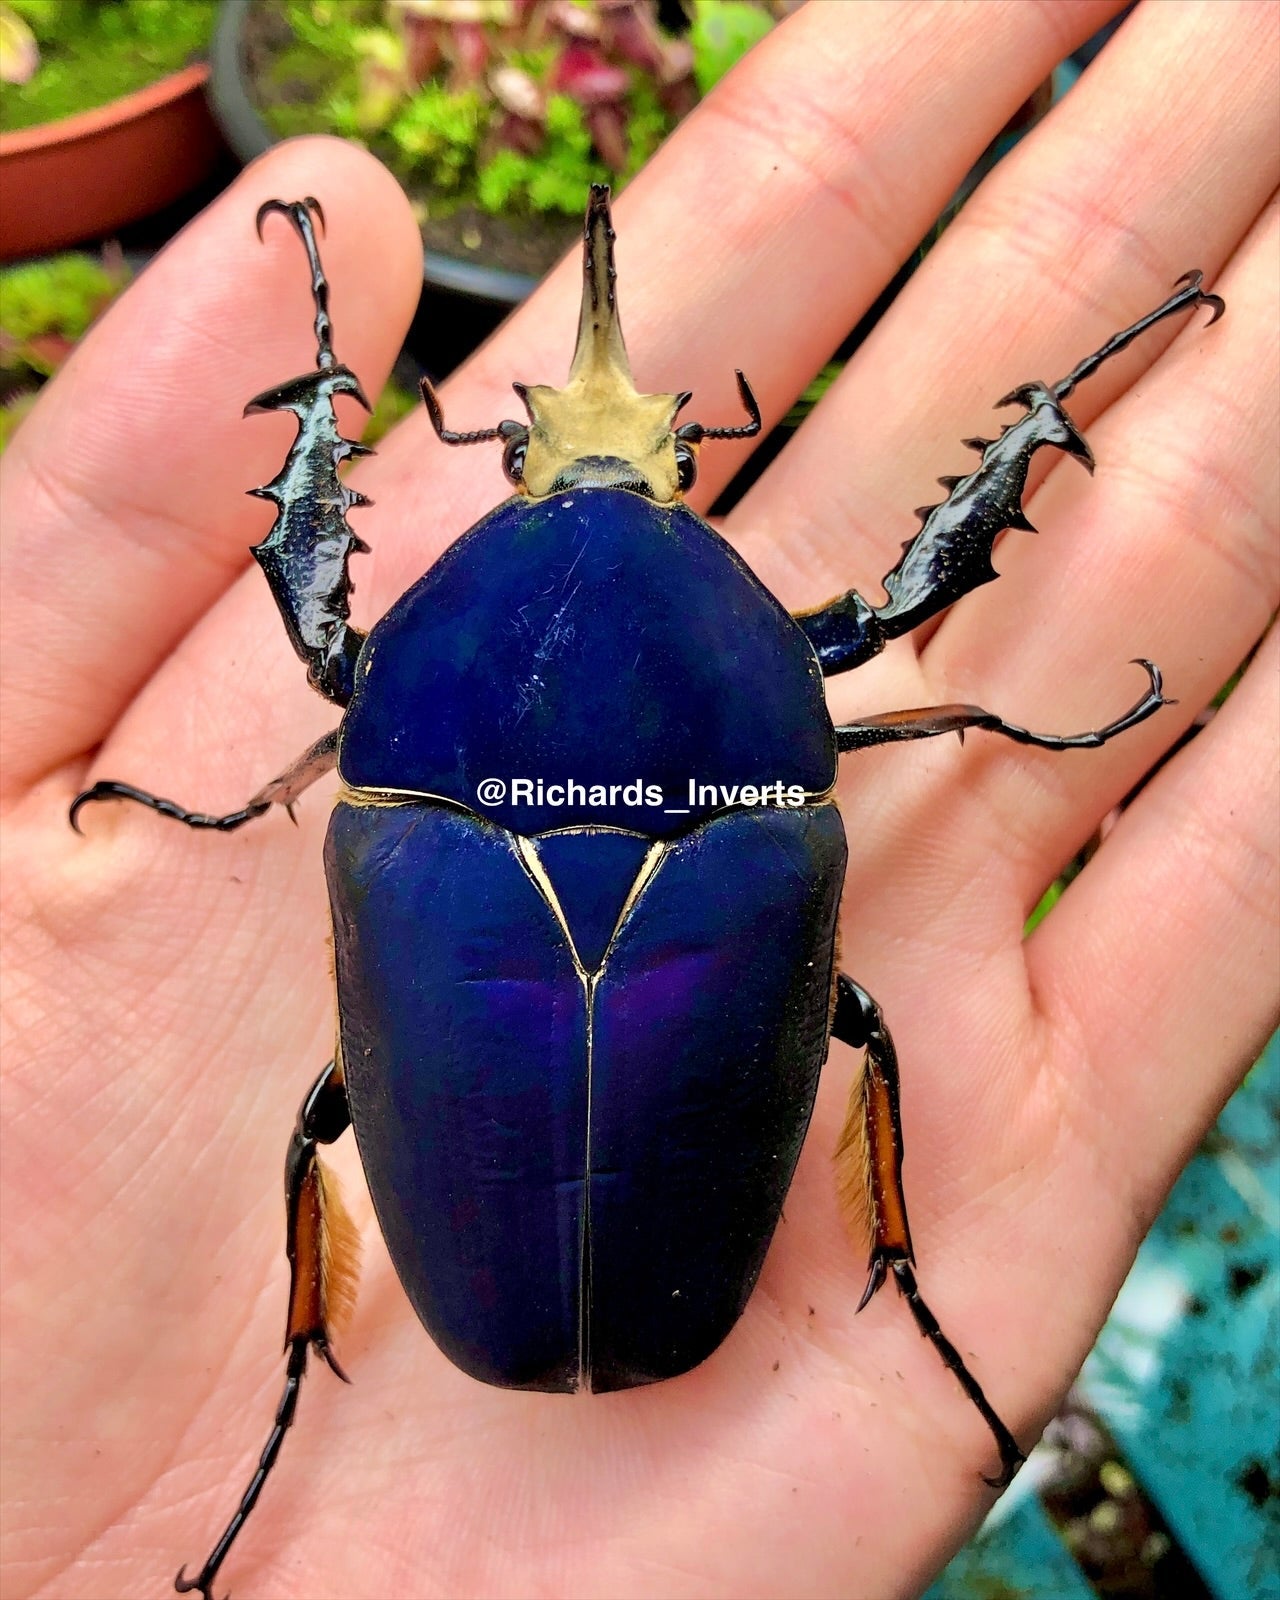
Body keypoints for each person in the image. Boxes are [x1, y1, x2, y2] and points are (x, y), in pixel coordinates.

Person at [1, 2, 1275, 1597]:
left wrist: (330, 396)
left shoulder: (395, 731)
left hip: (509, 1208)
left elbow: (334, 643)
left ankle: (291, 1383)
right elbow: (889, 613)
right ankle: (888, 1271)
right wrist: (1043, 409)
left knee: (312, 1125)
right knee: (860, 1015)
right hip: (663, 1231)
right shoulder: (768, 709)